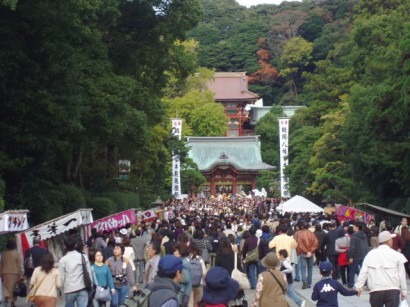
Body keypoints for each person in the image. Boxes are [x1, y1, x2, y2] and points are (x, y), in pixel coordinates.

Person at [355, 231, 408, 307]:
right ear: (389, 241)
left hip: (376, 290)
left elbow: (364, 272)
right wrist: (404, 292)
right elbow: (402, 275)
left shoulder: (371, 254)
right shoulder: (397, 255)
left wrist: (358, 287)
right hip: (393, 290)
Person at [58, 236, 92, 307]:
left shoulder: (62, 260)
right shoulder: (83, 257)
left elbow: (61, 278)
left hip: (69, 290)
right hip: (82, 287)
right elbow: (89, 272)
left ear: (65, 246)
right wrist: (90, 284)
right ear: (75, 245)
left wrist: (61, 291)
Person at [214, 238, 246, 306]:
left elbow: (216, 270)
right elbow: (240, 268)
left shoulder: (218, 256)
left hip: (223, 282)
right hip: (234, 281)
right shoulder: (235, 255)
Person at [294, 222, 318, 289]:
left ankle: (304, 282)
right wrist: (310, 251)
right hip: (310, 253)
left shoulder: (300, 234)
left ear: (302, 227)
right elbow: (316, 243)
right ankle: (309, 283)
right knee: (310, 268)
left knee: (303, 268)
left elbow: (300, 244)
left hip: (303, 253)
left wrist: (307, 251)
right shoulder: (312, 234)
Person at [346, 221, 370, 289]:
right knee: (365, 270)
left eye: (354, 226)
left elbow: (352, 247)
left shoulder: (354, 236)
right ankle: (368, 285)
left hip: (356, 255)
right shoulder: (364, 235)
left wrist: (351, 257)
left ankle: (351, 285)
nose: (353, 227)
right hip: (364, 255)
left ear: (357, 227)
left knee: (352, 271)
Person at [0, 240, 24, 307]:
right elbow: (19, 265)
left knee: (7, 287)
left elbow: (1, 264)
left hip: (5, 273)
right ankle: (12, 302)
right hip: (14, 273)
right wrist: (21, 274)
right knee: (13, 288)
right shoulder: (16, 254)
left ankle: (6, 298)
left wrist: (0, 274)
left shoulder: (3, 254)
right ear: (14, 246)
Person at [173, 243, 192, 307]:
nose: (174, 253)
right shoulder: (187, 259)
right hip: (186, 290)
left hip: (182, 292)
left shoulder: (183, 263)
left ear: (181, 251)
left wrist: (175, 279)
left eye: (176, 251)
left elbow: (185, 278)